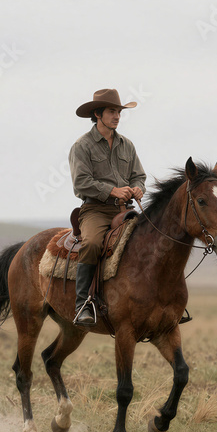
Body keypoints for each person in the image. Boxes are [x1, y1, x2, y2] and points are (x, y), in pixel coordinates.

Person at [69, 88, 147, 326]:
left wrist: (137, 188)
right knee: (92, 243)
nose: (117, 116)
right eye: (112, 111)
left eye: (119, 112)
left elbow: (139, 176)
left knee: (151, 240)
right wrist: (112, 190)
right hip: (96, 210)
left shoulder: (127, 145)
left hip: (125, 209)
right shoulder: (82, 146)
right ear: (98, 114)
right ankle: (82, 304)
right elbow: (81, 182)